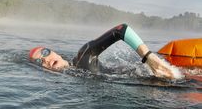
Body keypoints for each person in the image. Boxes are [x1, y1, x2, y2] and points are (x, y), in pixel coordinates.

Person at [29, 23, 182, 79]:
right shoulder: (73, 75)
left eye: (44, 53)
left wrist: (149, 58)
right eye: (38, 61)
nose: (45, 60)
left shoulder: (84, 55)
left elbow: (121, 29)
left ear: (55, 52)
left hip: (153, 74)